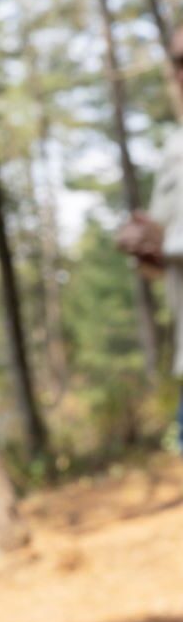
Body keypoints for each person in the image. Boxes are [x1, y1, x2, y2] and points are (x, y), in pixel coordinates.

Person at [115, 31, 183, 444]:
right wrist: (143, 245)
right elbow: (162, 252)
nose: (182, 71)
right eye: (177, 60)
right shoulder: (176, 148)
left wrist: (169, 242)